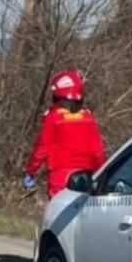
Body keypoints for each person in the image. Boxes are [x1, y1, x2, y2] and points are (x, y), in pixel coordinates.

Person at [23, 70, 106, 199]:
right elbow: (98, 151)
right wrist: (102, 174)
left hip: (61, 177)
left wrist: (31, 171)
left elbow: (43, 147)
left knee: (59, 209)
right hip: (87, 176)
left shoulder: (53, 117)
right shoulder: (88, 116)